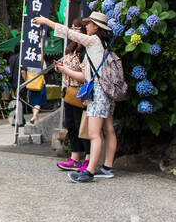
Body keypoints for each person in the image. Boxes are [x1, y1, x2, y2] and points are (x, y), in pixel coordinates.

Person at [34, 11, 117, 181]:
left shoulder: (93, 41)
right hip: (108, 92)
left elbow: (68, 32)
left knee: (94, 133)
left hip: (99, 91)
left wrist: (45, 21)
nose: (86, 26)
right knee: (108, 130)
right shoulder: (103, 44)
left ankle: (90, 171)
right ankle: (107, 167)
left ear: (96, 27)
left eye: (89, 23)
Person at [53, 20, 90, 173]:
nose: (74, 32)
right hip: (69, 91)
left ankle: (88, 159)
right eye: (73, 29)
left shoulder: (86, 50)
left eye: (78, 29)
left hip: (81, 92)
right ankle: (75, 157)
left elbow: (84, 76)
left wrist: (65, 71)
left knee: (83, 127)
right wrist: (60, 68)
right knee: (72, 126)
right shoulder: (71, 49)